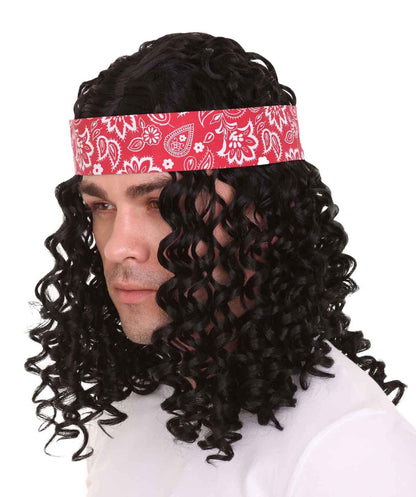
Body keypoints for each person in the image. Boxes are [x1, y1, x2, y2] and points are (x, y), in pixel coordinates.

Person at [25, 32, 416, 496]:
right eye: (102, 207)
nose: (116, 248)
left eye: (163, 204)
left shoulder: (347, 450)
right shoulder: (131, 410)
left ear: (264, 216)